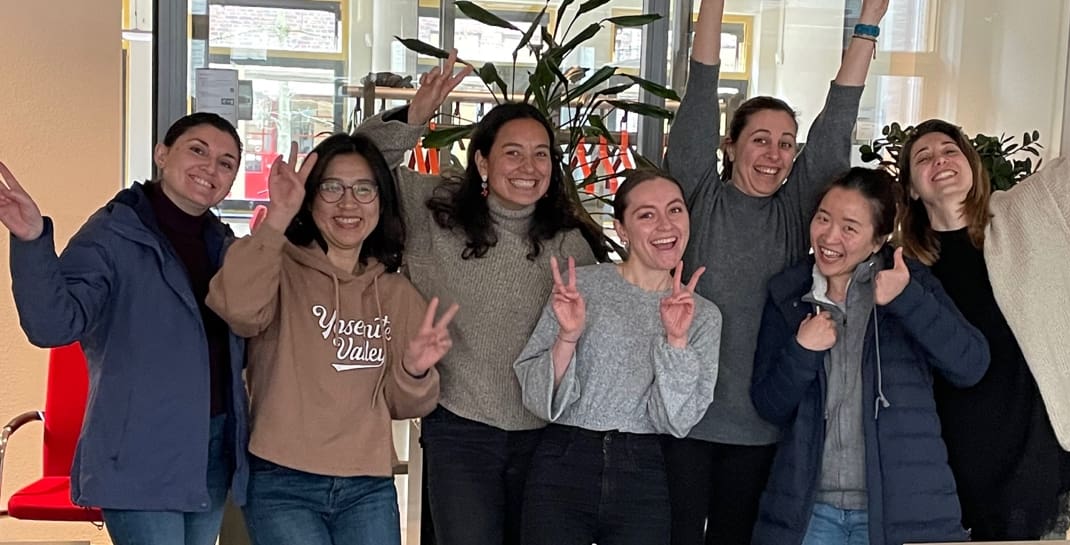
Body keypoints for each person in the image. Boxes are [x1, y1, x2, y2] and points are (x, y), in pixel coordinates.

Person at [660, 1, 889, 542]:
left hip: (761, 431)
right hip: (683, 421)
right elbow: (701, 88)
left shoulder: (795, 212)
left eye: (786, 143)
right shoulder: (698, 198)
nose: (774, 153)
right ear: (729, 144)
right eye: (760, 139)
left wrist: (868, 24)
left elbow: (837, 116)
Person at [354, 53, 601, 545]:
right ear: (483, 161)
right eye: (513, 153)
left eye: (541, 154)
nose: (529, 167)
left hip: (546, 435)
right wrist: (414, 117)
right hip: (459, 429)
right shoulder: (433, 211)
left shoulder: (571, 244)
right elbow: (360, 164)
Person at [1, 112, 249, 545]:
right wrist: (31, 240)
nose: (210, 168)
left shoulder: (222, 244)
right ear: (161, 154)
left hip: (210, 449)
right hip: (139, 452)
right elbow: (52, 325)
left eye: (226, 163)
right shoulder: (114, 233)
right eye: (197, 150)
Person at [206, 134, 457, 545]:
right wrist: (277, 218)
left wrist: (414, 371)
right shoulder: (278, 267)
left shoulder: (395, 293)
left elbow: (405, 405)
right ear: (311, 200)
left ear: (381, 202)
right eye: (332, 188)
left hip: (367, 486)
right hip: (282, 480)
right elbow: (237, 310)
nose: (348, 203)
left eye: (363, 189)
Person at [894, 112, 1070, 540]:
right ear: (912, 188)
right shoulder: (905, 268)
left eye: (950, 150)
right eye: (923, 157)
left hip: (1028, 446)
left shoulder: (1030, 216)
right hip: (946, 457)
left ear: (972, 167)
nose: (939, 160)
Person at [750, 167, 990, 545]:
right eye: (823, 219)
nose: (829, 237)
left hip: (902, 510)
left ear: (878, 240)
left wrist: (907, 300)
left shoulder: (908, 282)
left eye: (849, 227)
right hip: (810, 512)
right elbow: (769, 404)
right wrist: (801, 351)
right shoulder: (790, 294)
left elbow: (970, 364)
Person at [513, 169, 722, 545]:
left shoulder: (703, 315)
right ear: (621, 229)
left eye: (675, 210)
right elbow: (539, 400)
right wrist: (568, 336)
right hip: (563, 461)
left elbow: (677, 421)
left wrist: (676, 341)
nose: (665, 225)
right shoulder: (582, 287)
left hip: (644, 470)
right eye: (646, 214)